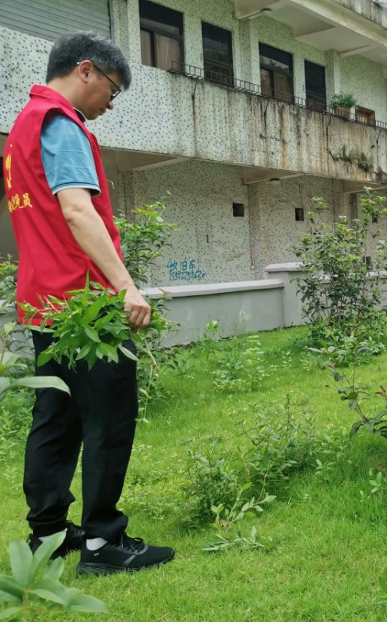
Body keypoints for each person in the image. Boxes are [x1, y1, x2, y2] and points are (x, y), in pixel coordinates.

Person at [3, 31, 175, 573]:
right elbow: (77, 212)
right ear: (85, 71)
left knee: (57, 415)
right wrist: (125, 286)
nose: (110, 103)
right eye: (112, 89)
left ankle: (49, 534)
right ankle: (103, 542)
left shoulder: (22, 129)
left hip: (45, 300)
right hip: (85, 307)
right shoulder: (63, 124)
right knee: (110, 415)